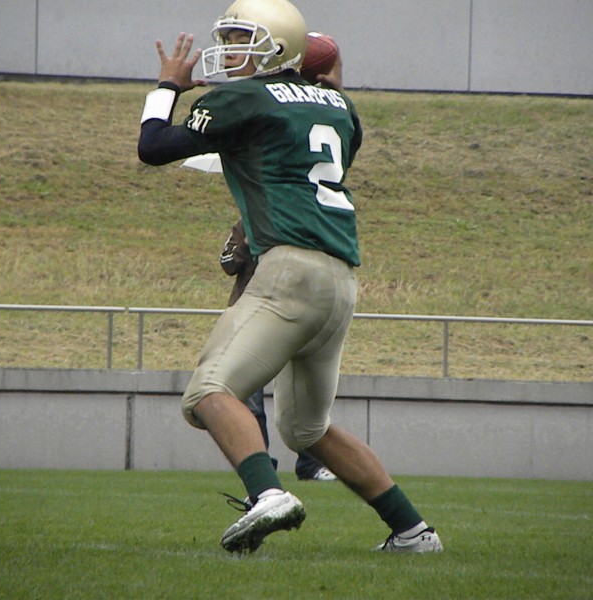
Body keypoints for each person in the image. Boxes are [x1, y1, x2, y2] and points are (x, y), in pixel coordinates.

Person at [138, 0, 442, 554]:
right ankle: (413, 532)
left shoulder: (244, 98)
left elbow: (153, 147)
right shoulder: (341, 107)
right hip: (340, 280)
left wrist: (168, 87)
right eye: (229, 39)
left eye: (242, 39)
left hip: (290, 272)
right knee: (307, 430)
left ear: (277, 46)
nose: (229, 50)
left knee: (208, 392)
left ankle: (267, 494)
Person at [220, 218, 337, 481]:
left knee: (303, 398)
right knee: (251, 403)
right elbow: (227, 264)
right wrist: (247, 243)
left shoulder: (298, 221)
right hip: (251, 320)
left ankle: (310, 465)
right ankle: (262, 470)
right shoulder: (246, 223)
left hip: (293, 316)